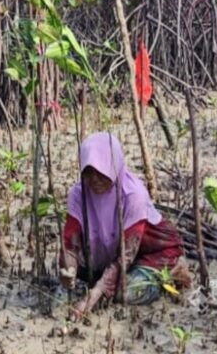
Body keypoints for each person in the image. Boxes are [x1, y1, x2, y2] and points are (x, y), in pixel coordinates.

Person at [59, 132, 191, 320]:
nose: (94, 179)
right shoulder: (78, 194)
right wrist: (68, 269)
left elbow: (126, 254)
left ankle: (172, 274)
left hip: (152, 254)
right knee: (84, 273)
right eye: (89, 172)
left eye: (101, 171)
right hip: (112, 253)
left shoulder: (132, 195)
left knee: (126, 293)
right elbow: (69, 242)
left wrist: (94, 294)